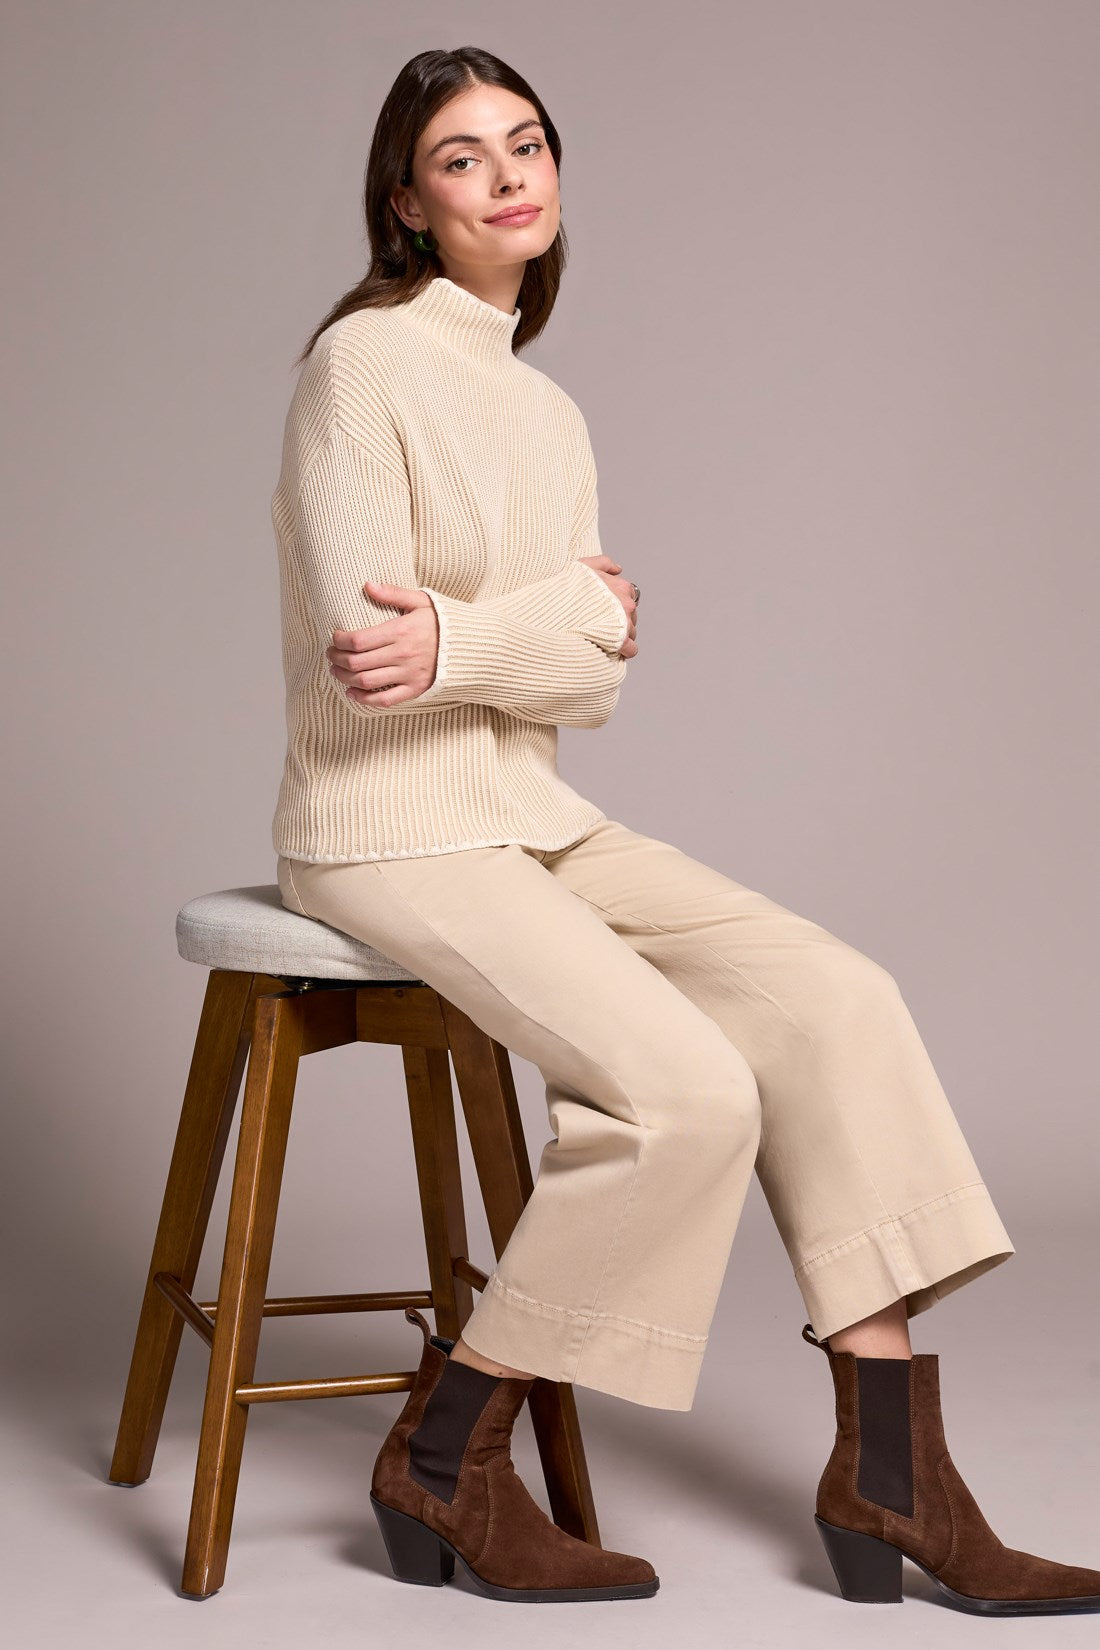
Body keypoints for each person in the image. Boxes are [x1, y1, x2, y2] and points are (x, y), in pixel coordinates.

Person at [270, 45, 1100, 1613]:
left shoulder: (548, 408)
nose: (511, 175)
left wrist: (491, 637)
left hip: (529, 810)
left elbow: (590, 687)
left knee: (832, 994)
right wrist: (544, 623)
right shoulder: (360, 370)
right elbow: (376, 668)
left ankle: (894, 1470)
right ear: (407, 202)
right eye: (464, 158)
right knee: (683, 1091)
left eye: (529, 144)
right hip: (385, 827)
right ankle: (445, 1453)